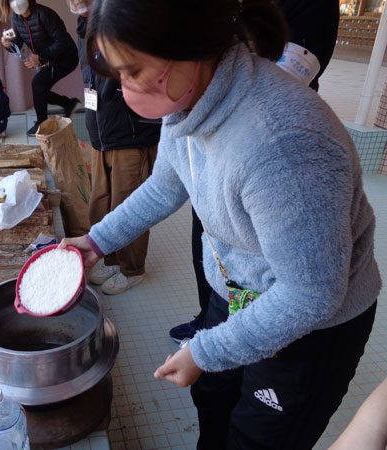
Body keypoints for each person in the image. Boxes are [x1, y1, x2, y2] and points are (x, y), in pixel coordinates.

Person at [59, 1, 381, 449]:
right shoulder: (188, 97)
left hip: (310, 323)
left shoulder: (283, 142)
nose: (124, 89)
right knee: (213, 398)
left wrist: (205, 350)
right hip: (236, 288)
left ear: (186, 49)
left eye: (131, 72)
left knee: (255, 438)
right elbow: (166, 185)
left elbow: (311, 294)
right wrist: (96, 242)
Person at [168, 0, 341, 344]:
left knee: (260, 257)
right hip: (218, 136)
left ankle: (242, 331)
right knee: (208, 239)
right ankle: (210, 317)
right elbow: (161, 187)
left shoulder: (314, 6)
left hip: (262, 147)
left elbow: (290, 75)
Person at [70, 0, 161, 294]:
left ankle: (132, 269)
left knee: (128, 204)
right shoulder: (88, 29)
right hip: (102, 133)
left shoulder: (126, 21)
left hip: (130, 135)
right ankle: (110, 258)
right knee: (101, 202)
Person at [0, 0, 81, 136]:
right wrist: (8, 45)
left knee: (37, 84)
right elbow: (17, 43)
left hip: (66, 58)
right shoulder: (16, 19)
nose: (16, 2)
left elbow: (62, 42)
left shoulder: (45, 14)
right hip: (48, 60)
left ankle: (42, 123)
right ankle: (69, 104)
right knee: (39, 89)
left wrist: (40, 58)